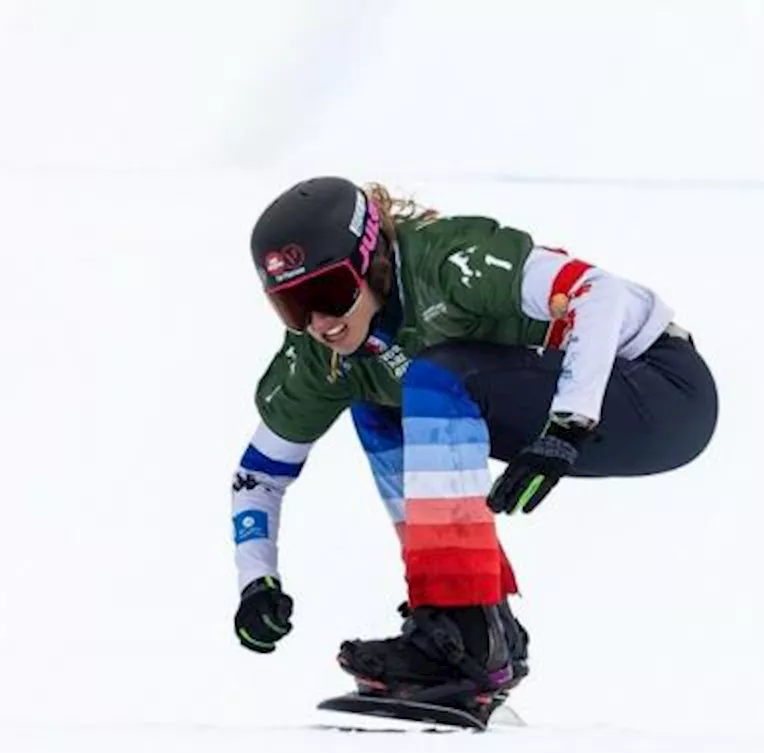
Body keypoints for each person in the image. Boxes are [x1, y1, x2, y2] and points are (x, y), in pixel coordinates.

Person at [230, 176, 718, 705]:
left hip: (662, 390)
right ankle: (474, 622)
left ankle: (465, 633)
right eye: (293, 306)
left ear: (372, 261)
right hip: (568, 403)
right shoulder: (319, 358)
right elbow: (260, 476)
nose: (320, 323)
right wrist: (258, 583)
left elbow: (600, 291)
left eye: (329, 293)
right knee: (377, 398)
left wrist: (567, 424)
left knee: (430, 377)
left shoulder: (450, 261)